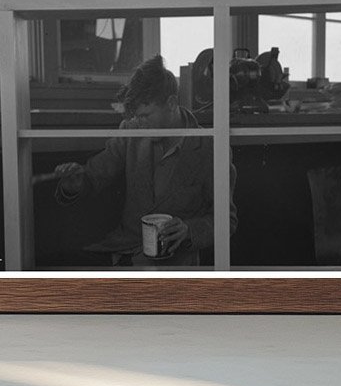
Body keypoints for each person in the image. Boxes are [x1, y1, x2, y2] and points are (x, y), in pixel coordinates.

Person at [53, 55, 237, 268]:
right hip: (122, 252)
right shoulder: (132, 130)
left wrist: (188, 230)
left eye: (146, 115)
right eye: (136, 117)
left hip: (174, 263)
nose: (140, 124)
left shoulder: (210, 148)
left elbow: (227, 220)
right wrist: (75, 184)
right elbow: (95, 175)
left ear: (171, 103)